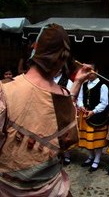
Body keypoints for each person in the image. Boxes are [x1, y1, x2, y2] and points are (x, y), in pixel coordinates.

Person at [0, 23, 92, 197]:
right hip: (53, 191)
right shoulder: (63, 97)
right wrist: (77, 82)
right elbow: (68, 141)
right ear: (62, 60)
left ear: (35, 50)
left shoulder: (5, 90)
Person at [77, 62, 109, 172]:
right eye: (87, 71)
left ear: (97, 71)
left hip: (97, 116)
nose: (89, 74)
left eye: (91, 71)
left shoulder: (103, 85)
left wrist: (94, 111)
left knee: (97, 139)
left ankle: (97, 159)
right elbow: (80, 97)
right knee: (87, 139)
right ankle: (90, 156)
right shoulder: (84, 84)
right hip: (85, 115)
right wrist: (81, 106)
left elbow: (104, 102)